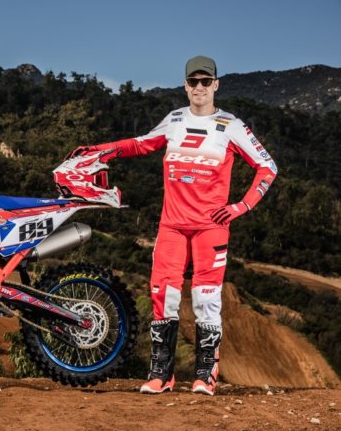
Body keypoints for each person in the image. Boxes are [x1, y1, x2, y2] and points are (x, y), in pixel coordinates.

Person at [71, 56, 278, 396]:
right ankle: (161, 375)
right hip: (172, 226)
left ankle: (205, 376)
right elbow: (140, 143)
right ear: (185, 85)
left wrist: (241, 206)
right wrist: (99, 151)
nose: (199, 87)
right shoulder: (175, 120)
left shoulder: (231, 125)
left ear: (216, 85)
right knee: (162, 295)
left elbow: (268, 167)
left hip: (210, 227)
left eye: (206, 81)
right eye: (193, 81)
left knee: (205, 299)